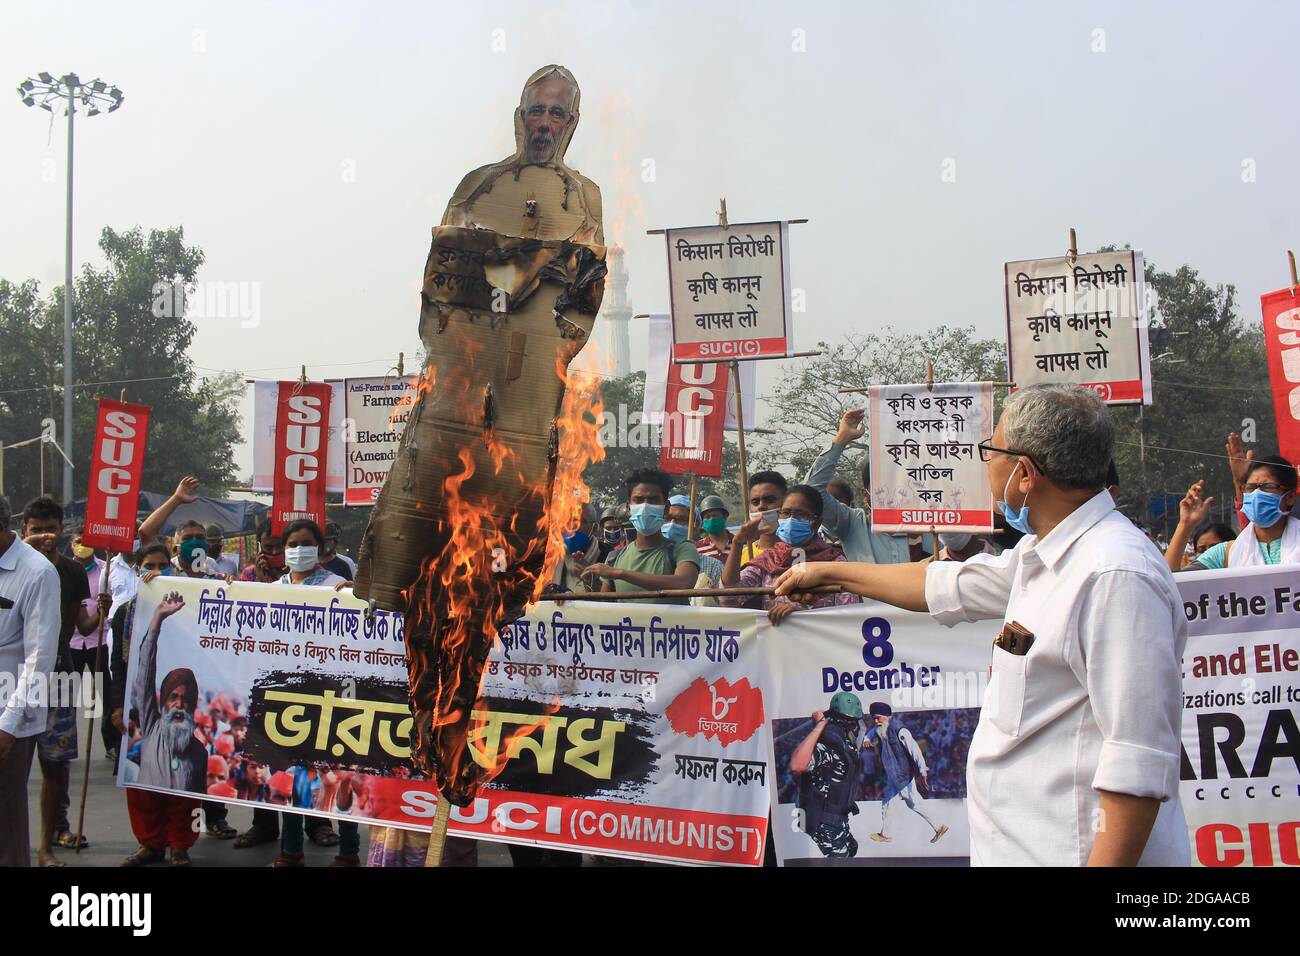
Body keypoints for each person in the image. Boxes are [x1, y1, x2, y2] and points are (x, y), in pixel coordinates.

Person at [776, 383, 1189, 866]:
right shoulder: (1045, 554)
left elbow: (1136, 763)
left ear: (1025, 473)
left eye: (989, 451)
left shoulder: (1114, 574)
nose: (982, 465)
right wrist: (825, 573)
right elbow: (942, 584)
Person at [265, 518, 360, 867]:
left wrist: (356, 593)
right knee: (293, 776)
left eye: (306, 543)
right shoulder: (273, 587)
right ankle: (291, 851)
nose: (298, 550)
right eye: (292, 544)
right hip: (291, 694)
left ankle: (349, 852)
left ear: (319, 548)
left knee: (342, 772)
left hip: (335, 695)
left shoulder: (338, 585)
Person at [22, 496, 111, 864]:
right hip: (12, 677)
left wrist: (102, 611)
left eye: (51, 529)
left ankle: (47, 842)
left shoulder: (73, 573)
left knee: (55, 765)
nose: (45, 535)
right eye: (36, 529)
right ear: (23, 531)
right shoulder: (9, 567)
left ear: (61, 530)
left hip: (59, 674)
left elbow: (81, 628)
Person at [0, 494, 61, 867]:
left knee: (5, 824)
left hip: (9, 716)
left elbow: (41, 659)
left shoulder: (37, 573)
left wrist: (8, 725)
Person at [719, 484, 861, 625]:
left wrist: (804, 615)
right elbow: (729, 598)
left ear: (816, 522)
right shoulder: (768, 560)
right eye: (786, 513)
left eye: (801, 514)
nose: (791, 519)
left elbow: (850, 616)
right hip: (774, 645)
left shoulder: (834, 562)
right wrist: (737, 544)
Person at [803, 409, 911, 564]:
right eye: (882, 488)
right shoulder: (852, 523)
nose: (893, 494)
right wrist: (842, 438)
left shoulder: (931, 530)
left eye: (899, 486)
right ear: (865, 494)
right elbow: (810, 493)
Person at [580, 469, 700, 605]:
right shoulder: (615, 557)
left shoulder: (682, 549)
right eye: (638, 500)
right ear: (629, 507)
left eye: (654, 500)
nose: (645, 506)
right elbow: (605, 607)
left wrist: (620, 574)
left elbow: (684, 583)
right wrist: (589, 584)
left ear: (666, 508)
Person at [1180, 453, 1298, 570]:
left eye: (1268, 487)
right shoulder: (1225, 554)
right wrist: (1185, 525)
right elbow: (1169, 581)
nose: (1256, 494)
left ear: (1290, 497)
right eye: (1251, 488)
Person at [789, 692, 866, 858]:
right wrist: (820, 726)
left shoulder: (844, 742)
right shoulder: (831, 743)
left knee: (852, 850)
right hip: (824, 826)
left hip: (837, 822)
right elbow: (797, 763)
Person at [863, 702, 948, 845]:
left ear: (887, 716)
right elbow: (872, 732)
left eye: (878, 718)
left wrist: (923, 770)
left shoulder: (900, 730)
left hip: (902, 776)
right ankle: (886, 833)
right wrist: (866, 738)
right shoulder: (881, 728)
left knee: (909, 803)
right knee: (899, 802)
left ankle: (885, 834)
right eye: (874, 718)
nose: (876, 721)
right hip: (894, 775)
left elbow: (915, 750)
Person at [68, 529, 117, 756]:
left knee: (107, 695)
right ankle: (65, 744)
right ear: (71, 545)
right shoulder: (66, 571)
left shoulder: (106, 570)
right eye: (79, 541)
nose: (82, 545)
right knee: (65, 695)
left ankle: (111, 744)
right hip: (72, 642)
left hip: (100, 640)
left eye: (86, 541)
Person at [740, 470, 787, 565]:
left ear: (785, 502)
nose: (761, 506)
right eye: (755, 502)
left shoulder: (799, 552)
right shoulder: (741, 556)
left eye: (769, 500)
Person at [239, 518, 286, 583]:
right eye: (268, 548)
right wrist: (259, 578)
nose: (275, 552)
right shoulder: (249, 573)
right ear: (259, 547)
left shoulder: (296, 571)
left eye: (279, 546)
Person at [693, 495, 734, 562]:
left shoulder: (740, 543)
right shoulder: (697, 549)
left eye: (715, 515)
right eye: (707, 517)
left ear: (725, 517)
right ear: (703, 521)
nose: (712, 519)